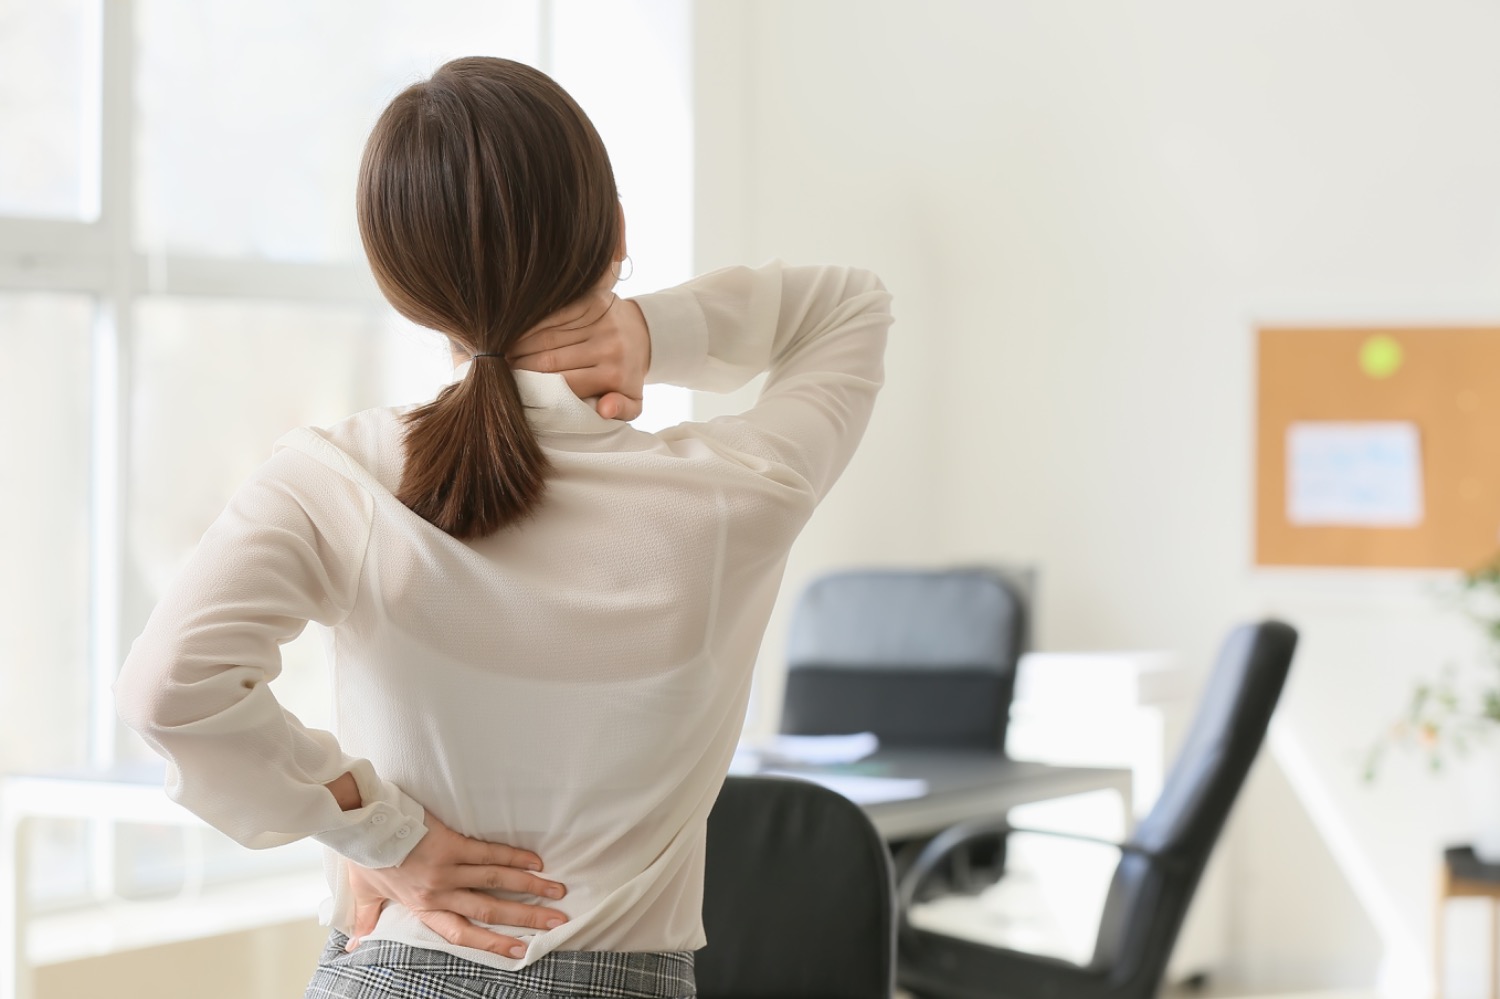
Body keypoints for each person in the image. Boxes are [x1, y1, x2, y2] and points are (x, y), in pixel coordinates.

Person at [114, 56, 890, 999]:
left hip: (384, 970)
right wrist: (647, 330)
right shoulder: (733, 492)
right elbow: (849, 306)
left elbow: (168, 691)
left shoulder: (338, 476)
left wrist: (379, 830)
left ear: (406, 287)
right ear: (613, 233)